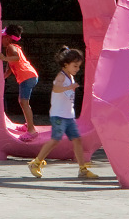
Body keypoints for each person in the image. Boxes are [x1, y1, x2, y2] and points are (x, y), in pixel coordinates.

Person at [27, 46, 98, 179]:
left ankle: (82, 169)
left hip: (68, 116)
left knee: (77, 140)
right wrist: (70, 86)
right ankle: (36, 163)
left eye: (78, 66)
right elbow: (56, 88)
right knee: (55, 140)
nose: (77, 69)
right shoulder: (61, 76)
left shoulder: (70, 76)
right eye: (75, 66)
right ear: (66, 64)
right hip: (58, 115)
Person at [0, 25, 39, 138]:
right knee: (23, 102)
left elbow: (16, 58)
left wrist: (3, 58)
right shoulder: (13, 47)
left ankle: (31, 131)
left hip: (27, 76)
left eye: (2, 37)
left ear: (8, 38)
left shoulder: (10, 47)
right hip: (30, 76)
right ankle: (28, 125)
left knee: (24, 102)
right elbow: (9, 69)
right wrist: (1, 78)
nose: (1, 39)